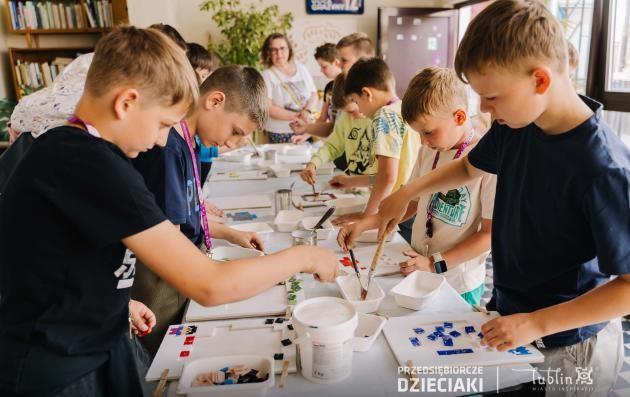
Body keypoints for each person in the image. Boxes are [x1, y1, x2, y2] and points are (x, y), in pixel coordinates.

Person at [0, 26, 338, 396]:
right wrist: (304, 256)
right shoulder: (93, 165)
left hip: (92, 335)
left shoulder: (68, 147)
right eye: (163, 124)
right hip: (59, 366)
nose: (162, 140)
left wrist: (118, 301)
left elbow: (59, 253)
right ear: (127, 102)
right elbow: (209, 285)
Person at [375, 2, 629, 395]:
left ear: (540, 80)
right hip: (511, 318)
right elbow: (469, 168)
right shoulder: (515, 124)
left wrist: (536, 323)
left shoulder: (604, 168)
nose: (482, 109)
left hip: (569, 342)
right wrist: (406, 192)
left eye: (490, 96)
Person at [131, 65, 269, 355]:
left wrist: (229, 234)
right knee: (164, 358)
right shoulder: (168, 148)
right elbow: (169, 239)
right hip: (164, 282)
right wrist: (217, 275)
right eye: (235, 131)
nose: (231, 143)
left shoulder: (188, 142)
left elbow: (187, 213)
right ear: (215, 101)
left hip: (183, 270)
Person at [337, 66, 496, 306]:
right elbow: (411, 204)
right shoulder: (428, 151)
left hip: (457, 282)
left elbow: (488, 235)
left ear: (460, 117)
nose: (423, 141)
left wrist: (435, 263)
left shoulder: (488, 161)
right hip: (420, 271)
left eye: (429, 132)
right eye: (419, 134)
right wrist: (365, 224)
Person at [331, 57, 421, 228]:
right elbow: (393, 173)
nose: (361, 112)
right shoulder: (402, 109)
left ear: (367, 93)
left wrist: (366, 218)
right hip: (411, 207)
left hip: (395, 211)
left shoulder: (384, 116)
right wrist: (352, 181)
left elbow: (387, 177)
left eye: (356, 102)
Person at [300, 73, 375, 185]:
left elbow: (386, 175)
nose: (349, 116)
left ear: (362, 97)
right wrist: (313, 164)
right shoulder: (345, 118)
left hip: (376, 190)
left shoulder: (379, 121)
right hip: (357, 188)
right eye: (344, 112)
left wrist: (353, 182)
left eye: (351, 111)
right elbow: (331, 147)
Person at [260, 33, 317, 143]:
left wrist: (308, 111)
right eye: (274, 50)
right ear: (268, 53)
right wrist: (299, 116)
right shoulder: (266, 75)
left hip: (305, 130)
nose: (279, 53)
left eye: (282, 48)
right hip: (280, 133)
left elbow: (313, 94)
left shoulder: (301, 68)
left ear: (289, 49)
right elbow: (269, 108)